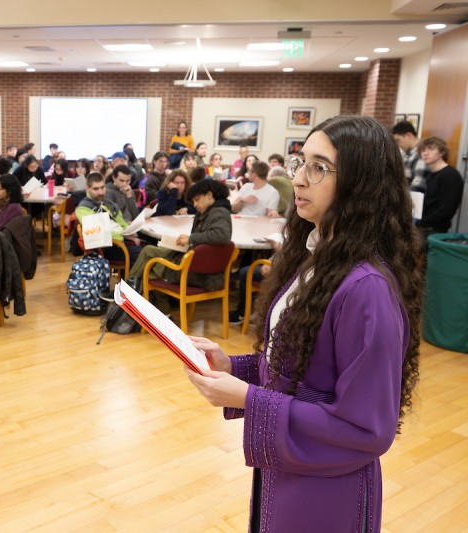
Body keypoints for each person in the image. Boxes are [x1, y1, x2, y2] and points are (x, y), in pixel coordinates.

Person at [184, 115, 422, 532]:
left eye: (319, 167)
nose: (299, 180)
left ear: (360, 183)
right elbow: (302, 369)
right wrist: (233, 368)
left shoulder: (366, 288)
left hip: (328, 489)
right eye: (300, 163)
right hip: (294, 468)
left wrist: (249, 398)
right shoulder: (319, 258)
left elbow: (366, 430)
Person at [125, 180, 232, 313]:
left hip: (198, 272)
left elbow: (222, 236)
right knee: (149, 251)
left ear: (210, 195)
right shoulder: (208, 213)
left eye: (197, 200)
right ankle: (147, 304)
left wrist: (191, 239)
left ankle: (130, 297)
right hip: (194, 264)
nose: (195, 205)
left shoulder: (218, 213)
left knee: (150, 272)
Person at [75, 172, 141, 265]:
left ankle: (132, 277)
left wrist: (129, 232)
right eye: (96, 189)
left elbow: (121, 222)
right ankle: (133, 278)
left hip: (119, 242)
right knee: (143, 254)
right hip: (104, 248)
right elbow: (100, 232)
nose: (100, 192)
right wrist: (124, 235)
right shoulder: (83, 208)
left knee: (148, 248)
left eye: (102, 187)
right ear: (87, 189)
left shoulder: (109, 203)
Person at [416, 136, 464, 246]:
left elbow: (446, 211)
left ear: (442, 152)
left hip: (434, 230)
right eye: (423, 150)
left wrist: (418, 222)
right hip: (423, 227)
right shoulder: (430, 175)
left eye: (430, 149)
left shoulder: (451, 175)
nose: (425, 153)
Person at [392, 120, 428, 192]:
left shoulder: (423, 153)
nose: (397, 145)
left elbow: (417, 186)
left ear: (409, 135)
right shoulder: (406, 154)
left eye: (398, 140)